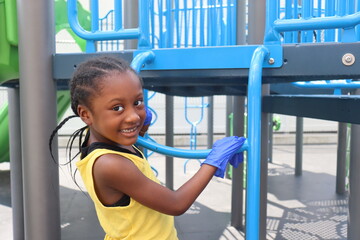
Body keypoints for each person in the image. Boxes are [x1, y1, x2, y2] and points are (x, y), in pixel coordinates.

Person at [49, 56, 246, 240]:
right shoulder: (110, 165)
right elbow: (176, 204)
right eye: (117, 108)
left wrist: (137, 130)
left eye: (137, 102)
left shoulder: (100, 140)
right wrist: (213, 161)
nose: (133, 116)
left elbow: (122, 150)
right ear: (86, 114)